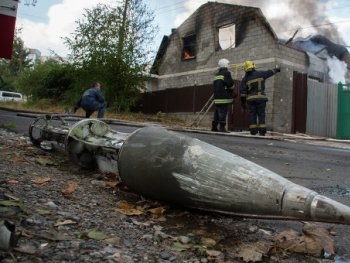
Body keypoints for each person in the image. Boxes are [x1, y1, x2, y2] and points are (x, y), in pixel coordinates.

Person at [240, 60, 280, 136]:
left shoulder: (245, 79)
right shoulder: (261, 73)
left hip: (251, 100)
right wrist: (277, 70)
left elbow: (242, 93)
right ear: (253, 66)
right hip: (261, 98)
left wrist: (243, 104)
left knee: (252, 114)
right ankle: (262, 131)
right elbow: (270, 72)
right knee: (261, 114)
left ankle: (253, 131)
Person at [212, 58, 235, 132]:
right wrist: (232, 89)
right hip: (224, 97)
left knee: (217, 112)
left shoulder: (216, 74)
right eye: (228, 64)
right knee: (223, 112)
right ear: (225, 65)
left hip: (217, 97)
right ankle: (222, 128)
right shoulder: (227, 73)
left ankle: (214, 127)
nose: (229, 65)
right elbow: (230, 85)